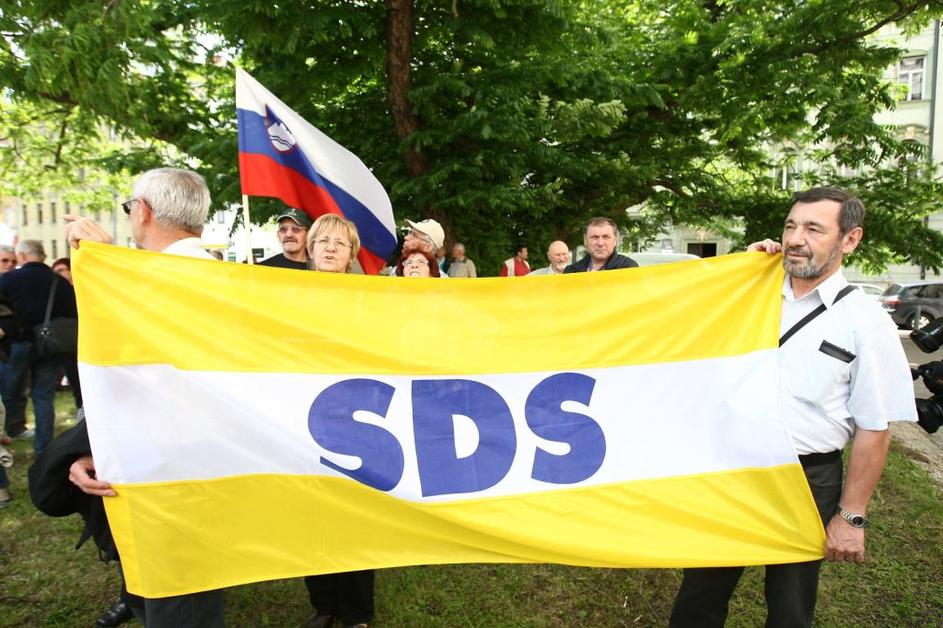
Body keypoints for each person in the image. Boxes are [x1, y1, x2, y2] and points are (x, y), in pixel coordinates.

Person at [669, 187, 917, 628]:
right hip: (733, 469)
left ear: (850, 239)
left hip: (807, 479)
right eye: (790, 226)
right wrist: (740, 271)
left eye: (814, 229)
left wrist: (851, 516)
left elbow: (874, 428)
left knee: (790, 607)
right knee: (699, 596)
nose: (796, 239)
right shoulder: (750, 292)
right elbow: (679, 324)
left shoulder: (866, 321)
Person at [35, 167, 225, 628]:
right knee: (160, 592)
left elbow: (148, 377)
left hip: (174, 475)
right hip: (175, 465)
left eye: (129, 207)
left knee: (177, 603)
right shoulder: (216, 277)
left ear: (142, 211)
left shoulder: (157, 281)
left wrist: (106, 267)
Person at [303, 214, 374, 628]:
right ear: (310, 249)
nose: (330, 248)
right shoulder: (282, 297)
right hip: (301, 419)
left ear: (351, 255)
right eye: (323, 241)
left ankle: (357, 612)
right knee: (313, 513)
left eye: (340, 243)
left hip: (355, 419)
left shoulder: (367, 299)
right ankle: (324, 604)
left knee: (354, 516)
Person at [0, 240, 77, 452]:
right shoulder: (59, 282)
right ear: (43, 256)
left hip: (17, 344)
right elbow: (71, 313)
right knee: (43, 397)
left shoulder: (8, 280)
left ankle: (5, 439)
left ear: (22, 256)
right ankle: (43, 448)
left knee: (7, 394)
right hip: (50, 346)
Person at [563, 218, 637, 273]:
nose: (600, 243)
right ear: (585, 240)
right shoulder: (571, 271)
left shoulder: (628, 268)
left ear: (615, 240)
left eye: (606, 237)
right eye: (594, 237)